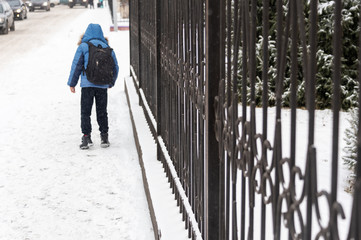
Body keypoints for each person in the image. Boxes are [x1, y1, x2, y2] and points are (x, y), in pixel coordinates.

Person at [67, 23, 119, 150]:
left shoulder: (83, 46)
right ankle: (104, 136)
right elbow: (115, 67)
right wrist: (110, 82)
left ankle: (86, 137)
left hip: (87, 85)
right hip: (102, 85)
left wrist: (72, 83)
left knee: (85, 111)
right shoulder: (107, 47)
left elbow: (77, 66)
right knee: (102, 111)